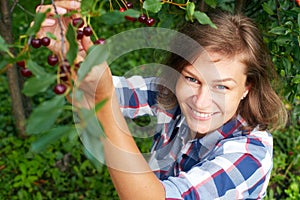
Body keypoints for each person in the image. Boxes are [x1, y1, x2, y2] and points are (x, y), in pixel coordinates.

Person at [35, 1, 287, 199]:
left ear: (247, 88)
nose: (200, 102)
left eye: (221, 86)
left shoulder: (251, 155)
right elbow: (100, 89)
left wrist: (106, 107)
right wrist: (70, 51)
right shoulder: (172, 93)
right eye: (192, 79)